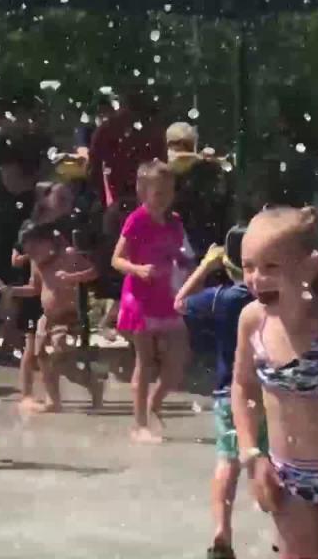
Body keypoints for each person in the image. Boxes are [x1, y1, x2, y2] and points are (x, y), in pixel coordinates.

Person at [232, 207, 318, 559]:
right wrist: (252, 454)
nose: (256, 278)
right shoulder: (253, 322)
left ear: (308, 267)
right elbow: (242, 388)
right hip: (288, 476)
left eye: (270, 267)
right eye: (248, 266)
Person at [173, 227, 265, 559]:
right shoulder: (269, 295)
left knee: (227, 461)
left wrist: (204, 267)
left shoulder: (219, 297)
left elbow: (180, 303)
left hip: (229, 392)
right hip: (272, 393)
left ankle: (221, 532)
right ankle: (287, 533)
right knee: (274, 461)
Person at [112, 160, 190, 443]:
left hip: (166, 295)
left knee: (178, 360)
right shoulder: (137, 219)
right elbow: (116, 259)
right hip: (139, 297)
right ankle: (139, 425)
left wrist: (190, 271)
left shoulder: (175, 221)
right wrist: (138, 269)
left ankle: (155, 402)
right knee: (144, 362)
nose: (165, 198)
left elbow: (181, 256)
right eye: (159, 193)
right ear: (143, 191)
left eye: (169, 192)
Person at [2, 221, 102, 413]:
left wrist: (73, 277)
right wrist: (12, 290)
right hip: (46, 318)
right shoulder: (36, 262)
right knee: (41, 356)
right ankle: (54, 400)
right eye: (28, 251)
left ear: (49, 242)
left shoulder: (68, 255)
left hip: (67, 316)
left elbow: (94, 272)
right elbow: (35, 289)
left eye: (35, 248)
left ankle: (93, 384)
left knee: (61, 359)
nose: (32, 254)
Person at [89, 90, 167, 334]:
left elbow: (93, 169)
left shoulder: (108, 128)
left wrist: (105, 202)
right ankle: (130, 311)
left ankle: (117, 306)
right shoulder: (153, 129)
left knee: (117, 257)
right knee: (144, 257)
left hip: (121, 202)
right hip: (145, 202)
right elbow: (162, 168)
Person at [8, 181, 79, 405]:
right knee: (31, 346)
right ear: (45, 200)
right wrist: (38, 256)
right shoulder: (31, 226)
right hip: (34, 285)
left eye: (66, 200)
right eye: (59, 199)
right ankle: (27, 393)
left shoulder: (62, 228)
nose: (64, 204)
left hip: (53, 289)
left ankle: (52, 394)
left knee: (47, 351)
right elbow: (16, 259)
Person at [167, 121, 230, 257]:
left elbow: (219, 200)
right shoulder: (164, 172)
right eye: (176, 144)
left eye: (187, 145)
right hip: (176, 238)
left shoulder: (208, 169)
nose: (182, 149)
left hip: (204, 238)